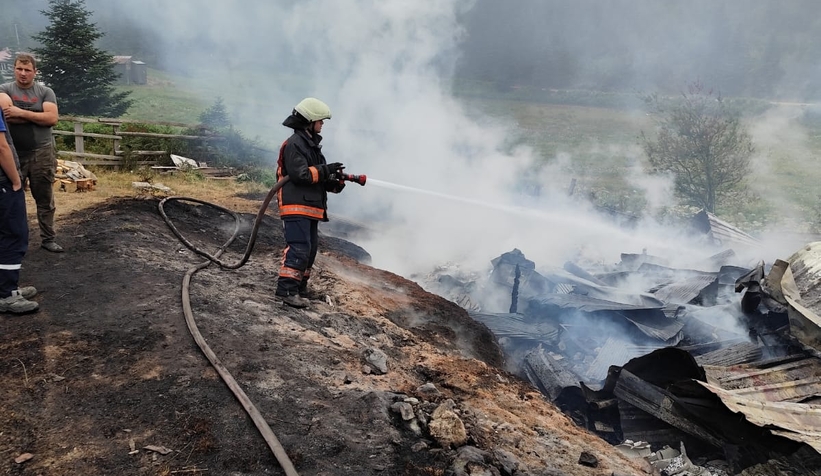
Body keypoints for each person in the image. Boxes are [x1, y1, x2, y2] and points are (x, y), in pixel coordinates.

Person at [274, 97, 346, 308]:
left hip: (310, 207)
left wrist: (335, 184)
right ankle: (286, 290)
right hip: (296, 206)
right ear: (309, 121)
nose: (322, 124)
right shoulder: (294, 144)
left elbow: (318, 178)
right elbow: (301, 175)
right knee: (299, 247)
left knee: (310, 249)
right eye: (321, 121)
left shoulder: (312, 146)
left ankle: (299, 288)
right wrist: (326, 169)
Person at [0, 53, 63, 253]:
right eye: (19, 69)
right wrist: (37, 117)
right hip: (13, 154)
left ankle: (48, 239)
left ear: (35, 72)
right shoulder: (4, 89)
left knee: (44, 197)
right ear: (14, 69)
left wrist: (20, 113)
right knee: (11, 197)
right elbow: (6, 116)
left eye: (28, 70)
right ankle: (13, 241)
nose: (23, 73)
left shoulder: (45, 92)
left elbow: (52, 119)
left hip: (42, 152)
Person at [0, 106, 39, 314]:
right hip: (3, 183)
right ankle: (8, 294)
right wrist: (15, 180)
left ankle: (5, 287)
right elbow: (1, 147)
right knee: (14, 235)